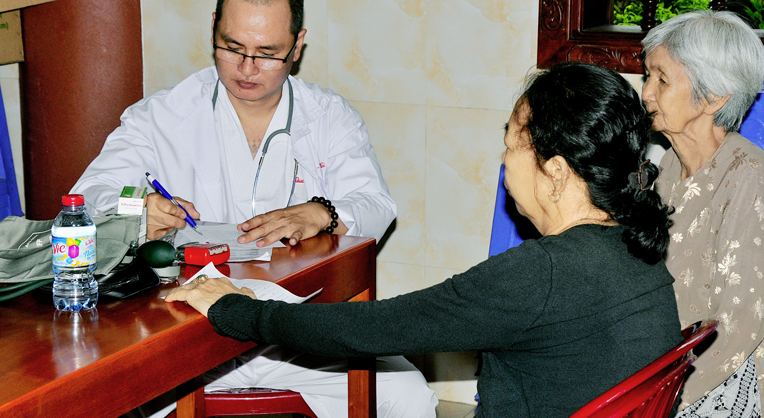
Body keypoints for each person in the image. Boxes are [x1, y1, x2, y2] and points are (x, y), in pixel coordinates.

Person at [166, 63, 684, 418]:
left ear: (555, 172)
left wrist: (237, 309)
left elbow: (370, 330)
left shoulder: (543, 274)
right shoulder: (636, 250)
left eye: (510, 145)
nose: (504, 162)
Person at [72, 0, 435, 418]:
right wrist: (139, 208)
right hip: (184, 329)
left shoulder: (329, 117)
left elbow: (377, 206)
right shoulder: (161, 116)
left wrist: (322, 212)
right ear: (213, 28)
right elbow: (87, 198)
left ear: (297, 45)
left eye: (268, 53)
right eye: (232, 47)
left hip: (297, 330)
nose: (247, 68)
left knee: (409, 396)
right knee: (104, 398)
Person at [643, 9, 764, 417]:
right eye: (648, 76)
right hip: (674, 367)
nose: (646, 93)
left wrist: (661, 400)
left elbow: (737, 328)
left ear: (714, 98)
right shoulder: (669, 167)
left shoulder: (750, 177)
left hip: (737, 380)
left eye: (662, 80)